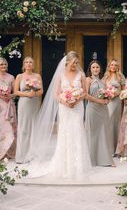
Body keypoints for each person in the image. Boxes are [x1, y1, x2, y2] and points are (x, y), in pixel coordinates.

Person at [29, 51, 92, 180]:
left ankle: (77, 164)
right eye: (73, 62)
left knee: (77, 131)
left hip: (77, 107)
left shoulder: (81, 75)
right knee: (65, 133)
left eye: (77, 62)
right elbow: (56, 94)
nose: (75, 65)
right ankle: (65, 165)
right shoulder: (61, 75)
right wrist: (65, 101)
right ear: (67, 62)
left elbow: (85, 92)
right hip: (64, 107)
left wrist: (76, 99)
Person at [85, 60, 115, 166]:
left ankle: (104, 159)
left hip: (103, 110)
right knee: (93, 133)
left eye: (97, 67)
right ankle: (92, 159)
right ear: (90, 69)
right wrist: (100, 101)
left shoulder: (103, 81)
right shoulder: (88, 80)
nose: (95, 69)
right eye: (93, 67)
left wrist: (108, 99)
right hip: (92, 109)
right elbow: (86, 95)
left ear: (100, 69)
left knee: (103, 132)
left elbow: (107, 94)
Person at [15, 56, 43, 163]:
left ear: (33, 64)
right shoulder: (19, 76)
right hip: (24, 104)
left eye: (30, 62)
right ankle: (21, 156)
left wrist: (34, 93)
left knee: (34, 128)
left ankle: (32, 155)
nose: (28, 64)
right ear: (24, 64)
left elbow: (41, 91)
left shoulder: (37, 76)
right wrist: (27, 94)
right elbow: (16, 91)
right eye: (26, 62)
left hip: (34, 103)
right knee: (24, 128)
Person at [103, 59, 125, 154]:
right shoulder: (105, 77)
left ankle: (116, 148)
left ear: (117, 67)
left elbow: (124, 91)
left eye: (115, 65)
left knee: (115, 122)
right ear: (109, 66)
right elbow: (102, 89)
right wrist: (106, 94)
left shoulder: (120, 76)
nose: (113, 66)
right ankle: (108, 148)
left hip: (116, 101)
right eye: (112, 65)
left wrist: (116, 93)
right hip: (108, 102)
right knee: (108, 121)